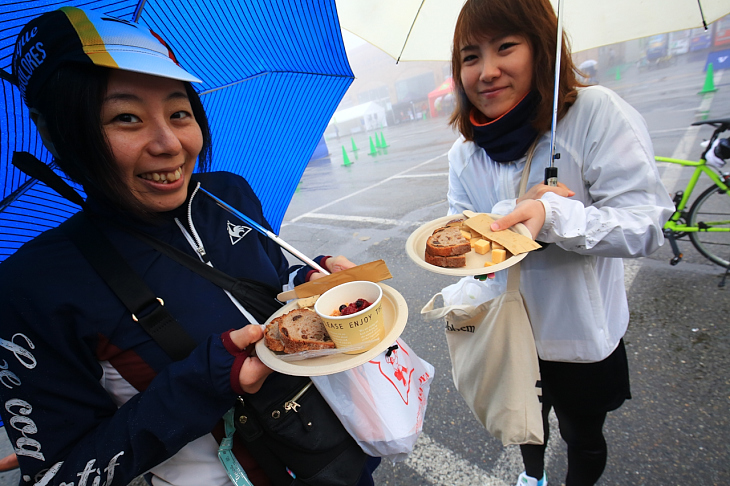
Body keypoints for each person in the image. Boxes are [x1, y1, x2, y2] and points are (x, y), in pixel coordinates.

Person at [0, 7, 379, 486]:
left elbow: (268, 279)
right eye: (126, 117)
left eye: (179, 112)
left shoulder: (228, 193)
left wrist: (308, 279)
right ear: (55, 133)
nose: (170, 144)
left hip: (329, 452)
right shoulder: (31, 286)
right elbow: (58, 475)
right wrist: (204, 380)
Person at [446, 1, 674, 485]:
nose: (487, 72)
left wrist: (552, 215)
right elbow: (462, 234)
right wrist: (499, 225)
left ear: (541, 46)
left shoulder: (595, 115)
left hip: (579, 338)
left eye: (506, 47)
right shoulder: (463, 154)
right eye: (470, 57)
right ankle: (533, 479)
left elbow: (645, 224)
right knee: (526, 427)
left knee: (582, 435)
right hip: (507, 331)